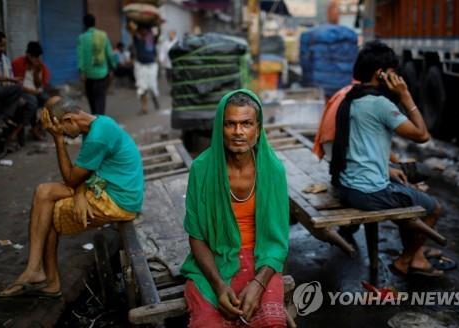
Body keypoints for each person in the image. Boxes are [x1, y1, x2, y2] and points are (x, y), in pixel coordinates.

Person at [0, 96, 144, 297]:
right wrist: (81, 192)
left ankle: (47, 279)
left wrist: (58, 140)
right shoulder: (99, 122)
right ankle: (35, 270)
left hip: (118, 201)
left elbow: (71, 179)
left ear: (69, 119)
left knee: (47, 212)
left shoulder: (97, 136)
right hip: (108, 187)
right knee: (43, 191)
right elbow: (85, 174)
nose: (65, 136)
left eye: (63, 130)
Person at [330, 41, 444, 277]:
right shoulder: (379, 104)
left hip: (345, 185)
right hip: (368, 193)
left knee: (405, 187)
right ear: (380, 74)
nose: (398, 77)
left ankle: (417, 255)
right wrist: (406, 95)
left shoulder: (351, 97)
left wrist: (387, 169)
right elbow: (422, 135)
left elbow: (359, 147)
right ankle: (404, 261)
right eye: (393, 72)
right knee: (434, 208)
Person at [181, 89, 289, 327]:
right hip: (214, 261)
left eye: (246, 124)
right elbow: (197, 237)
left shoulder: (273, 171)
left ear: (258, 129)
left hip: (262, 260)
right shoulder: (202, 169)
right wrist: (219, 286)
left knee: (272, 322)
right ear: (220, 129)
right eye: (230, 124)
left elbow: (277, 242)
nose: (238, 132)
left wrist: (259, 284)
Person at [300, 0, 358, 100]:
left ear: (327, 12)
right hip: (344, 86)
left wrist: (307, 81)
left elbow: (305, 62)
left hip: (319, 86)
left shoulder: (311, 35)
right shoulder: (350, 35)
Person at [77, 14, 116, 115]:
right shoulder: (103, 35)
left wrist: (81, 72)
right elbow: (109, 54)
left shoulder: (82, 38)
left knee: (92, 100)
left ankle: (95, 118)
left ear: (84, 24)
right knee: (100, 99)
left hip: (88, 75)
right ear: (95, 23)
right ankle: (100, 119)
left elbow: (80, 56)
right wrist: (112, 67)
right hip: (102, 73)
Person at [12, 41, 51, 140]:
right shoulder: (18, 63)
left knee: (51, 102)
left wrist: (37, 73)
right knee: (32, 102)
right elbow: (17, 84)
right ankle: (18, 130)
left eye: (38, 57)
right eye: (35, 57)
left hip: (35, 91)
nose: (37, 59)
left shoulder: (40, 66)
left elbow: (40, 85)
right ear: (28, 55)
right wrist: (32, 91)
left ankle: (37, 127)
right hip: (22, 91)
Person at [128, 21, 160, 114]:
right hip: (140, 66)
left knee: (152, 86)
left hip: (152, 66)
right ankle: (144, 107)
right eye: (142, 30)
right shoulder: (136, 38)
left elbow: (158, 30)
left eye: (145, 29)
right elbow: (130, 27)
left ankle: (154, 98)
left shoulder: (152, 39)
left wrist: (156, 21)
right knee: (142, 87)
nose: (144, 32)